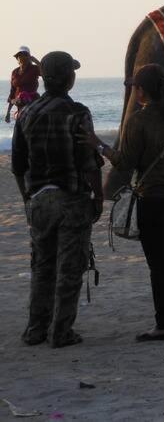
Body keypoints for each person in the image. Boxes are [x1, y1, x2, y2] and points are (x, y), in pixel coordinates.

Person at [87, 64, 164, 341]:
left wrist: (98, 145)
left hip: (154, 196)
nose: (133, 91)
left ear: (142, 91)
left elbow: (125, 163)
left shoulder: (138, 121)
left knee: (159, 263)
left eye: (135, 87)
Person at [11, 51, 103, 348]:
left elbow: (18, 165)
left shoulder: (26, 113)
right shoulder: (78, 113)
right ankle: (61, 332)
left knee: (42, 266)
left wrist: (27, 197)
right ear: (67, 78)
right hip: (72, 199)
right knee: (70, 269)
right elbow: (89, 162)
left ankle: (35, 329)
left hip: (39, 200)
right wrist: (99, 197)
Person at [6, 45, 42, 123]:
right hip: (20, 107)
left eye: (25, 55)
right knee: (19, 132)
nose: (22, 57)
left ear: (29, 57)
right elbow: (12, 92)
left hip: (33, 105)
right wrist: (8, 112)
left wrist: (36, 61)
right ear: (17, 58)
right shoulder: (15, 72)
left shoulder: (34, 68)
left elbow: (46, 72)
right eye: (19, 55)